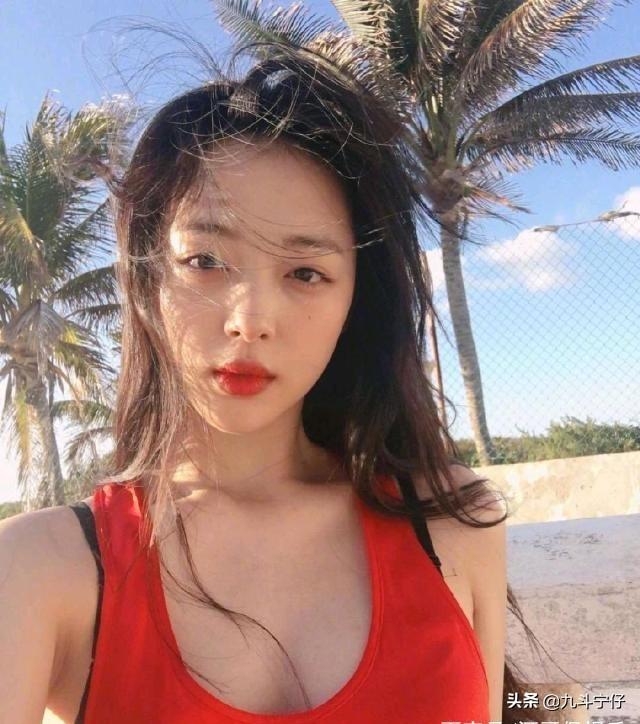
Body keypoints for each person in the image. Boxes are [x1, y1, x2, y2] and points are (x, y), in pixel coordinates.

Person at [0, 44, 508, 723]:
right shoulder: (41, 569)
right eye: (206, 260)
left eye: (306, 273)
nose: (249, 320)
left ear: (357, 301)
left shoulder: (454, 525)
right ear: (147, 281)